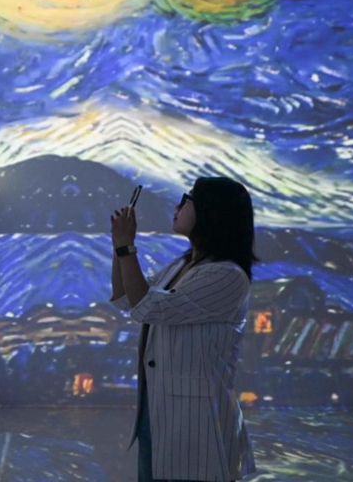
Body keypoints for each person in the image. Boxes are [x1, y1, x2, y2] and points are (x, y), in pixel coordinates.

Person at [109, 176, 258, 482]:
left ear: (211, 211)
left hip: (198, 422)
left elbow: (146, 306)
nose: (177, 207)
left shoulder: (226, 275)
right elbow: (126, 297)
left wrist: (126, 247)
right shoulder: (182, 265)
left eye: (186, 200)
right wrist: (120, 246)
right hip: (160, 410)